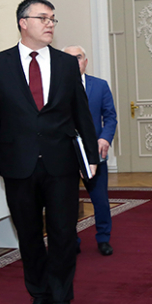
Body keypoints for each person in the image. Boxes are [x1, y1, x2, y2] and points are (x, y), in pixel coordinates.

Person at [0, 0, 99, 304]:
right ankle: (39, 296)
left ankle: (61, 300)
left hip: (61, 164)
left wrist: (92, 157)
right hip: (18, 164)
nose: (50, 24)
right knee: (28, 235)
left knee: (62, 233)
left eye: (53, 19)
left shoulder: (66, 64)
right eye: (43, 18)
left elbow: (81, 114)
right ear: (22, 23)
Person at [63, 46, 118, 256]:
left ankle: (103, 238)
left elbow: (110, 116)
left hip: (94, 154)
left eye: (78, 57)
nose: (74, 62)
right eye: (68, 58)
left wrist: (104, 138)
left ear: (85, 61)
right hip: (66, 154)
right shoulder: (55, 87)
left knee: (100, 200)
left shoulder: (100, 86)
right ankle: (72, 240)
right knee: (67, 200)